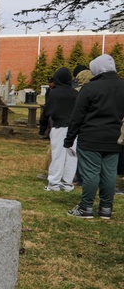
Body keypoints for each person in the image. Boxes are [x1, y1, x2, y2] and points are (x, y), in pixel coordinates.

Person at [64, 54, 124, 219]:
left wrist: (69, 139)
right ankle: (106, 208)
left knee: (91, 174)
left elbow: (77, 116)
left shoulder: (90, 88)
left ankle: (86, 207)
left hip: (91, 137)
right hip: (114, 138)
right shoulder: (122, 86)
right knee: (109, 174)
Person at [39, 67, 78, 192]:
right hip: (74, 127)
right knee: (72, 155)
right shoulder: (75, 93)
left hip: (59, 126)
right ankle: (67, 183)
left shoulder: (54, 93)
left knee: (57, 154)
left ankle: (54, 183)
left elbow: (47, 112)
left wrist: (42, 127)